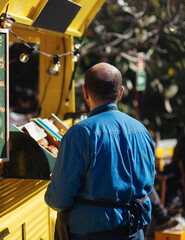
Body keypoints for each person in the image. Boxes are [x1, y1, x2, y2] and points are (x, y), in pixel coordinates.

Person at [45, 62, 155, 240]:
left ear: (85, 92)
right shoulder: (142, 131)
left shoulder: (80, 134)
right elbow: (148, 186)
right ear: (120, 92)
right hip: (134, 232)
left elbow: (59, 200)